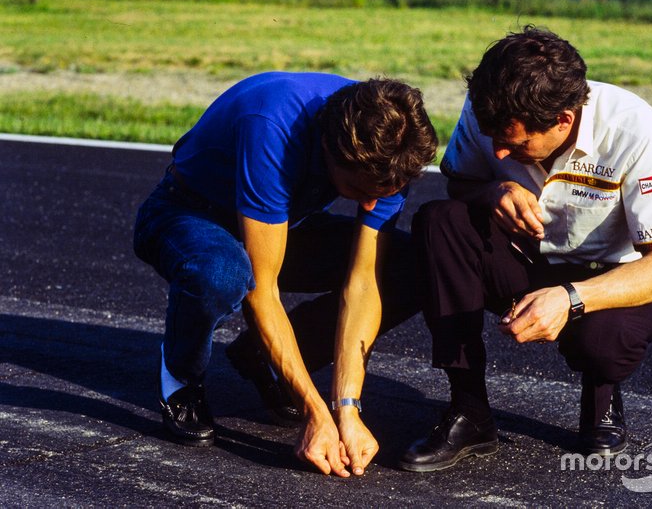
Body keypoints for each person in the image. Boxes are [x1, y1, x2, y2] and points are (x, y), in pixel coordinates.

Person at [399, 27, 652, 472]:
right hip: (526, 255)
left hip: (606, 275)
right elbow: (459, 180)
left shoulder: (637, 130)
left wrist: (571, 299)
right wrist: (491, 192)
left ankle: (601, 391)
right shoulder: (492, 106)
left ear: (563, 119)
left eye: (515, 144)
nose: (498, 149)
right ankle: (469, 412)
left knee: (605, 344)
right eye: (492, 136)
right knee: (439, 221)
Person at [133, 72, 437, 477]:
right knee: (224, 273)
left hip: (283, 223)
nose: (371, 203)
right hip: (189, 213)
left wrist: (345, 408)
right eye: (359, 190)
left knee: (412, 265)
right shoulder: (273, 127)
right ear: (330, 149)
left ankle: (264, 360)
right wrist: (315, 412)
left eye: (381, 193)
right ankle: (180, 376)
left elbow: (364, 283)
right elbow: (263, 290)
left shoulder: (392, 147)